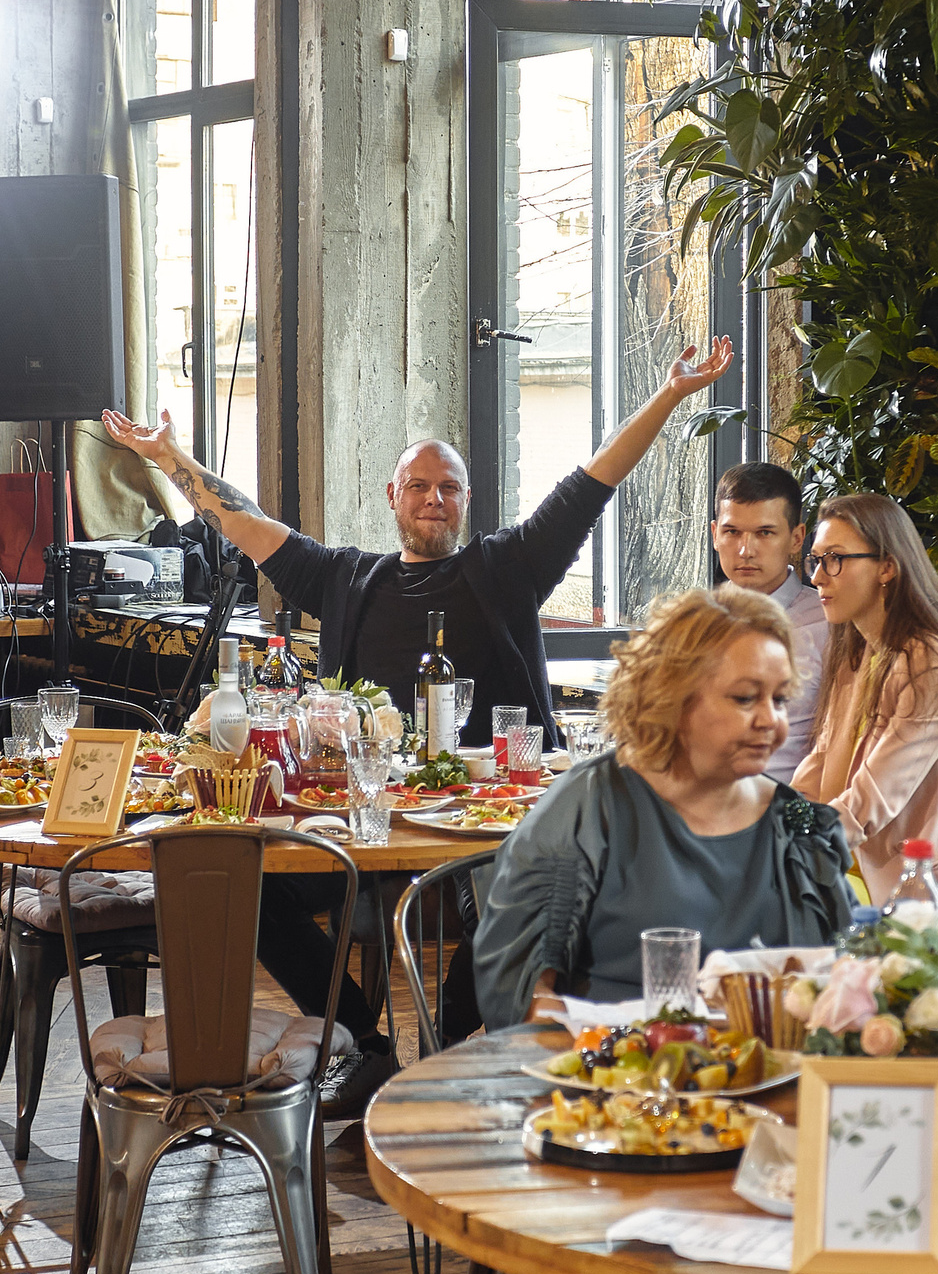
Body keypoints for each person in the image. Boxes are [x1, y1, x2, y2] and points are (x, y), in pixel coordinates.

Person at [101, 337, 733, 1116]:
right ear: (393, 495)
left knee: (519, 899)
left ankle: (442, 1053)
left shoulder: (507, 568)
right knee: (243, 885)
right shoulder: (345, 578)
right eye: (420, 486)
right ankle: (366, 1045)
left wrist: (670, 391)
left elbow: (595, 478)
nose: (435, 498)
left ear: (466, 502)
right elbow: (246, 521)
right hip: (361, 812)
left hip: (482, 809)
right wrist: (171, 458)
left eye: (450, 488)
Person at [468, 586, 861, 1274]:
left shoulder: (799, 825)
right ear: (676, 695)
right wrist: (589, 1052)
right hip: (612, 1101)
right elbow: (516, 979)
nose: (771, 720)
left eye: (778, 696)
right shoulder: (593, 804)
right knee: (572, 1229)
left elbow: (832, 982)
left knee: (842, 1203)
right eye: (744, 697)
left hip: (764, 1101)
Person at [790, 492, 938, 901]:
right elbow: (817, 770)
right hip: (869, 878)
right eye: (815, 560)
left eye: (834, 558)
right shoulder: (858, 650)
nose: (817, 576)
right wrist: (773, 822)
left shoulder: (933, 661)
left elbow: (874, 796)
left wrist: (790, 844)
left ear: (887, 566)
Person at [711, 460, 827, 783]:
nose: (745, 550)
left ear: (796, 537)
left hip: (785, 812)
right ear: (715, 535)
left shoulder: (829, 623)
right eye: (732, 532)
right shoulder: (694, 622)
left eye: (764, 533)